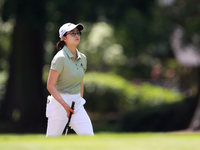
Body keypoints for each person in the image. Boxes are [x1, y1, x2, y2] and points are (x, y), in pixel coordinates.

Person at [46, 23, 94, 137]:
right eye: (72, 33)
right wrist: (64, 105)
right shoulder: (60, 58)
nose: (76, 35)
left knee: (89, 137)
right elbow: (50, 85)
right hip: (59, 104)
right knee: (52, 141)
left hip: (76, 104)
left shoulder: (83, 58)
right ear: (64, 38)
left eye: (78, 33)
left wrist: (80, 101)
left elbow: (80, 83)